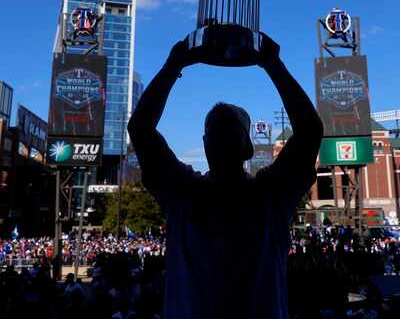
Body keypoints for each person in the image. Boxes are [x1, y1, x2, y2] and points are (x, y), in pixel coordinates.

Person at [128, 36, 323, 319]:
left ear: (247, 147)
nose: (219, 138)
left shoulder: (267, 195)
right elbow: (140, 129)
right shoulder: (187, 192)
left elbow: (310, 131)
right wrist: (272, 64)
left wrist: (176, 63)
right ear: (205, 145)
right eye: (214, 132)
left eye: (229, 131)